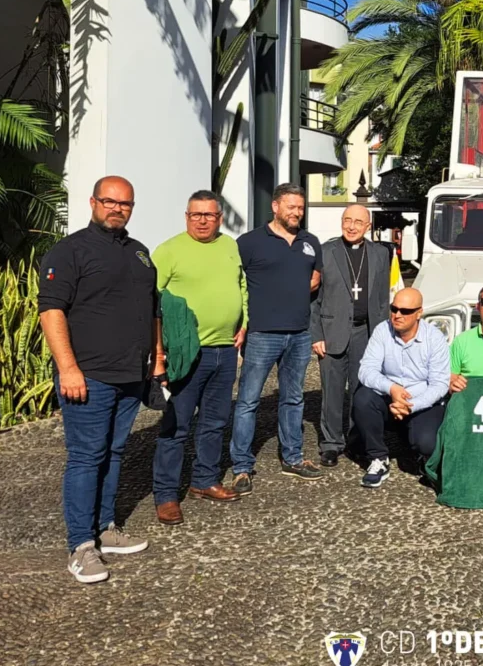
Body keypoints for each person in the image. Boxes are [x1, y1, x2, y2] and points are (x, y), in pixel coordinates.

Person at [38, 176, 158, 583]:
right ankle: (81, 546)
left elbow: (150, 310)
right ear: (93, 202)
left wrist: (154, 358)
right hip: (88, 375)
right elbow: (51, 312)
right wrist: (68, 368)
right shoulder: (69, 251)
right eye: (109, 201)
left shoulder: (139, 253)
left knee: (115, 452)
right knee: (87, 457)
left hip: (130, 376)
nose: (116, 208)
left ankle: (106, 529)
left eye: (125, 203)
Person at [152, 190, 246, 525]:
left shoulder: (230, 246)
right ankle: (165, 495)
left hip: (224, 350)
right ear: (186, 216)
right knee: (176, 426)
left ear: (219, 218)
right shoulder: (169, 250)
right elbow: (153, 302)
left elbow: (241, 287)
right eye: (196, 215)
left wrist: (244, 322)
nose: (202, 220)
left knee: (215, 422)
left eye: (209, 215)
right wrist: (159, 352)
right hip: (187, 353)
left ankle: (204, 480)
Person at [229, 184, 323, 494]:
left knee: (293, 398)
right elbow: (233, 284)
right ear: (275, 207)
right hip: (262, 333)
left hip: (299, 333)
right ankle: (241, 467)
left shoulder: (310, 242)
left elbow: (315, 276)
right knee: (248, 401)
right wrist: (239, 323)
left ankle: (292, 458)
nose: (297, 212)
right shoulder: (250, 242)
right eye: (291, 206)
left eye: (300, 207)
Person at [310, 204, 391, 467]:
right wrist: (316, 334)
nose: (352, 226)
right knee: (332, 392)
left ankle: (357, 442)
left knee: (362, 391)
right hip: (332, 329)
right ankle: (332, 444)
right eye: (347, 220)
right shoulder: (326, 251)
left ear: (368, 226)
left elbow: (383, 299)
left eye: (358, 222)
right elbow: (314, 298)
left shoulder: (381, 253)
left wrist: (385, 335)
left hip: (366, 331)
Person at [353, 288, 450, 488]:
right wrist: (392, 388)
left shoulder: (435, 338)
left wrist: (411, 405)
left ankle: (424, 458)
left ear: (419, 313)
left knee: (426, 442)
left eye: (405, 311)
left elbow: (440, 384)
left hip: (422, 401)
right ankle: (378, 458)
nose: (397, 315)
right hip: (389, 399)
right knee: (362, 398)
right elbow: (366, 370)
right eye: (394, 309)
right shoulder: (382, 330)